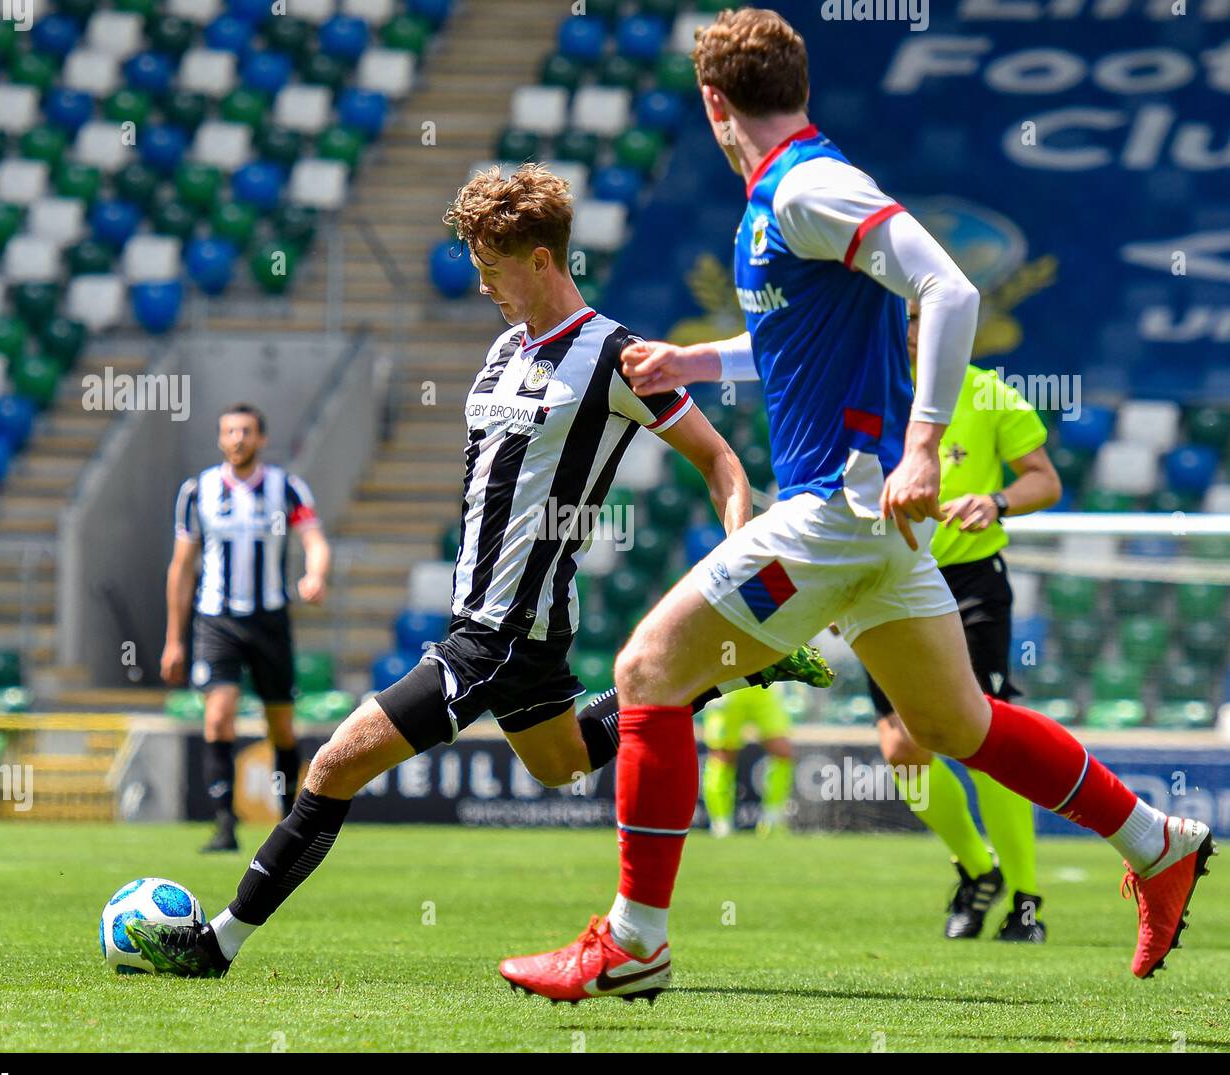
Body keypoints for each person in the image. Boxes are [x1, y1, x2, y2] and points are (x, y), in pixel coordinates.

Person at [498, 8, 1213, 1003]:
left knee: (648, 670)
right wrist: (695, 362)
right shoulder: (801, 190)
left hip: (836, 506)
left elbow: (949, 291)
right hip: (873, 522)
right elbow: (805, 341)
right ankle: (1156, 839)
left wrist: (923, 445)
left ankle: (633, 942)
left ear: (713, 104)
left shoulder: (804, 187)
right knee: (958, 723)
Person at [127, 164, 831, 976]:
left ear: (540, 261)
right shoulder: (502, 349)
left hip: (500, 630)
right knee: (563, 762)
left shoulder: (617, 355)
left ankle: (216, 944)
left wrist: (739, 556)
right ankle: (738, 666)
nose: (485, 286)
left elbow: (720, 461)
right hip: (490, 620)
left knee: (332, 764)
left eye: (493, 270)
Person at [869, 301, 1062, 941]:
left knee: (986, 740)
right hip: (887, 582)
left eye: (923, 318)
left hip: (972, 583)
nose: (912, 331)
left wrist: (998, 499)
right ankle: (978, 869)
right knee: (902, 745)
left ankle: (1027, 898)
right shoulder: (871, 393)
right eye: (905, 319)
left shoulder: (990, 393)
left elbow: (1045, 481)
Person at [163, 404, 331, 852]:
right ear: (220, 439)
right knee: (218, 716)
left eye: (246, 432)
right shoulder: (198, 491)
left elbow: (314, 541)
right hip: (216, 619)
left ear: (262, 439)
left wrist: (315, 575)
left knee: (281, 727)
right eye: (229, 431)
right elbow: (182, 567)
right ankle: (224, 824)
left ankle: (289, 823)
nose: (237, 439)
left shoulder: (286, 487)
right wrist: (173, 639)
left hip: (269, 621)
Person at [701, 684, 795, 838]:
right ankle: (721, 822)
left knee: (782, 752)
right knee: (723, 756)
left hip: (763, 687)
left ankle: (773, 819)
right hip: (729, 685)